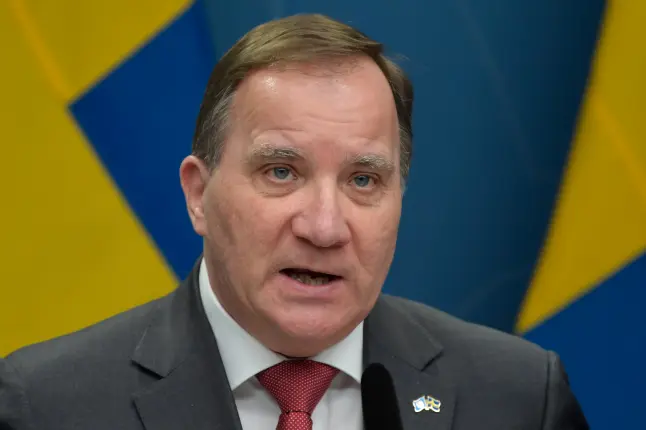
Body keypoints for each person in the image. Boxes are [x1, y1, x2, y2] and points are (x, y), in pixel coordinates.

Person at [0, 13, 588, 430]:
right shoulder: (45, 407)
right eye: (281, 172)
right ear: (198, 195)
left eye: (363, 180)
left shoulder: (518, 398)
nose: (325, 227)